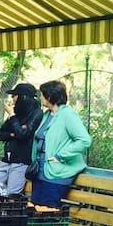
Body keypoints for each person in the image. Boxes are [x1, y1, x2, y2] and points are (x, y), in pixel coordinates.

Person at [30, 80, 92, 208]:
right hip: (40, 171)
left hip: (56, 173)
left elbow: (84, 140)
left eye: (42, 94)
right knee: (35, 210)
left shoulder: (68, 114)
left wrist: (60, 156)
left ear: (50, 96)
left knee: (48, 213)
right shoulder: (47, 115)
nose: (40, 97)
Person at [0, 83, 43, 196]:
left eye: (14, 95)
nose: (12, 99)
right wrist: (13, 133)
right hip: (6, 160)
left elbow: (23, 135)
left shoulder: (36, 113)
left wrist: (12, 117)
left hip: (21, 162)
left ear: (23, 97)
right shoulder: (17, 114)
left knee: (10, 196)